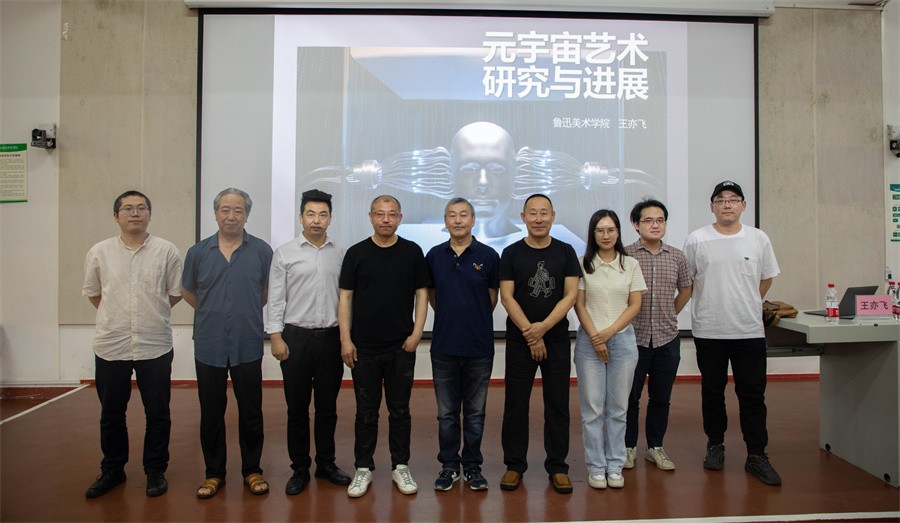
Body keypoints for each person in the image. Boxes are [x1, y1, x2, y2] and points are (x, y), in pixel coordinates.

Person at [82, 190, 182, 499]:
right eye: (127, 208)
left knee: (158, 412)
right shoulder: (99, 252)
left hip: (154, 343)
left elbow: (174, 293)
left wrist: (150, 314)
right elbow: (94, 292)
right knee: (111, 413)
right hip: (111, 345)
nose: (135, 213)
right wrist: (117, 317)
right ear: (116, 216)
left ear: (150, 214)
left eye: (141, 208)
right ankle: (113, 470)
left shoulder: (166, 250)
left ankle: (155, 470)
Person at [683, 180, 782, 486]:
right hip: (709, 330)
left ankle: (757, 455)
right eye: (721, 200)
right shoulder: (696, 239)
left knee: (752, 395)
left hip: (748, 330)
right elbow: (688, 282)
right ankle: (715, 445)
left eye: (733, 199)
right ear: (712, 206)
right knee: (712, 393)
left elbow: (766, 279)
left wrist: (746, 302)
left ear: (743, 206)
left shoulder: (758, 238)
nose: (727, 204)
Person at [182, 187, 274, 498]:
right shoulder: (198, 253)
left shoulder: (261, 251)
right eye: (225, 209)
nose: (231, 216)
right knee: (211, 412)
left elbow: (265, 292)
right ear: (215, 213)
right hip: (209, 342)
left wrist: (243, 311)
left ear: (247, 215)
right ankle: (214, 473)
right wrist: (212, 311)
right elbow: (188, 291)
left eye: (238, 210)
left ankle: (252, 470)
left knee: (251, 411)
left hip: (247, 341)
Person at [338, 195, 430, 498]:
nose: (386, 219)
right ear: (371, 217)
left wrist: (417, 332)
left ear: (400, 218)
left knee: (400, 411)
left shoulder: (412, 252)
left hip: (401, 347)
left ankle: (400, 465)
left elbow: (421, 294)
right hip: (363, 348)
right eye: (380, 214)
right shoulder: (356, 253)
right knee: (365, 412)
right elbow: (345, 298)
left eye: (391, 214)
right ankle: (363, 468)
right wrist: (346, 339)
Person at [267, 189, 352, 495]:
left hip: (330, 339)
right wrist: (276, 337)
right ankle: (300, 468)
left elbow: (348, 299)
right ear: (301, 217)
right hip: (296, 339)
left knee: (328, 408)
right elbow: (276, 298)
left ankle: (326, 464)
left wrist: (347, 338)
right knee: (297, 409)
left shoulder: (341, 253)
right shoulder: (285, 253)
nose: (317, 220)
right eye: (311, 214)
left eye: (323, 214)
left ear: (330, 218)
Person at [498, 193, 581, 494]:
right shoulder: (511, 253)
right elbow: (507, 297)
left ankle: (557, 467)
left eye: (544, 213)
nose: (538, 218)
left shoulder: (566, 251)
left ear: (553, 216)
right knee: (515, 404)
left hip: (556, 339)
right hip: (519, 341)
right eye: (532, 213)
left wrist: (543, 329)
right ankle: (514, 465)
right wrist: (530, 333)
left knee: (557, 405)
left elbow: (570, 295)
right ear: (523, 217)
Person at [425, 197, 500, 492]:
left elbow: (492, 298)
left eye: (463, 215)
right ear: (445, 221)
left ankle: (472, 466)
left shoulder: (489, 256)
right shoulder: (434, 255)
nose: (458, 220)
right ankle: (448, 465)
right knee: (446, 414)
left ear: (473, 220)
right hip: (444, 345)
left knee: (475, 413)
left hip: (479, 346)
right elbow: (432, 296)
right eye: (452, 215)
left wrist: (472, 317)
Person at [573, 209, 647, 490]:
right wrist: (596, 338)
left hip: (623, 342)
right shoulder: (582, 264)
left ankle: (615, 465)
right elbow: (579, 304)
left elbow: (635, 304)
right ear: (593, 234)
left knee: (618, 409)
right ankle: (596, 466)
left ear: (618, 232)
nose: (606, 235)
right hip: (588, 343)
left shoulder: (631, 264)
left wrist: (609, 332)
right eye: (600, 230)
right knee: (592, 410)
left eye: (611, 230)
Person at [623, 199, 693, 471]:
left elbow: (685, 289)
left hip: (667, 339)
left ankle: (655, 447)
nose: (655, 225)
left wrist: (670, 314)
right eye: (648, 220)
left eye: (660, 220)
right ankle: (627, 447)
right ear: (636, 224)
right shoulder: (625, 256)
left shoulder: (677, 256)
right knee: (629, 398)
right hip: (633, 338)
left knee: (661, 397)